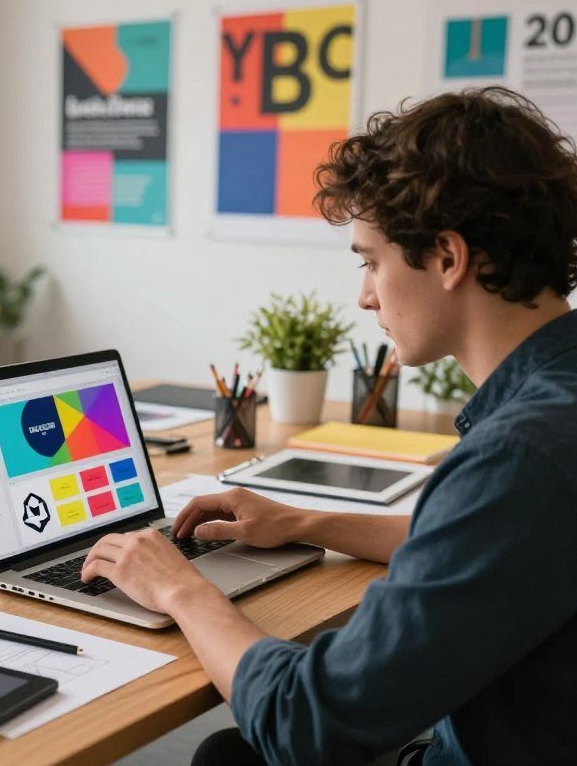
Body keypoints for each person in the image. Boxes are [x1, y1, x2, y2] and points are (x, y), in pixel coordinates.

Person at [80, 86, 577, 765]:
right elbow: (491, 544)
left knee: (234, 755)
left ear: (448, 257)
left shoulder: (523, 454)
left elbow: (306, 725)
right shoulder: (551, 417)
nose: (365, 294)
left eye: (372, 262)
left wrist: (179, 588)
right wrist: (307, 524)